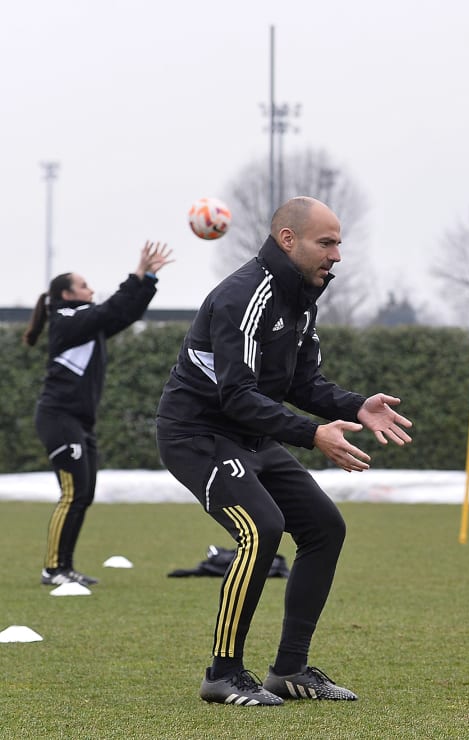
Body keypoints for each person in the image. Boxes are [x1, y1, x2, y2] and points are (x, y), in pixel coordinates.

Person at [156, 196, 413, 707]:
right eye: (327, 242)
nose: (337, 254)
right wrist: (313, 435)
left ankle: (289, 670)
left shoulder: (301, 296)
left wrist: (358, 405)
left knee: (324, 527)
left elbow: (301, 382)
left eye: (339, 243)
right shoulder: (243, 296)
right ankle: (222, 673)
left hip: (249, 434)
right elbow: (237, 394)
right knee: (261, 529)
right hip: (198, 435)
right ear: (288, 240)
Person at [24, 242, 174, 587]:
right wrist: (136, 274)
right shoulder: (65, 319)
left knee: (84, 493)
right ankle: (53, 569)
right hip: (58, 418)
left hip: (79, 423)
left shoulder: (88, 324)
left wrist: (148, 279)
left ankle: (65, 566)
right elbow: (108, 311)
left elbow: (126, 313)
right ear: (66, 294)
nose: (91, 289)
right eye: (84, 285)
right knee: (72, 493)